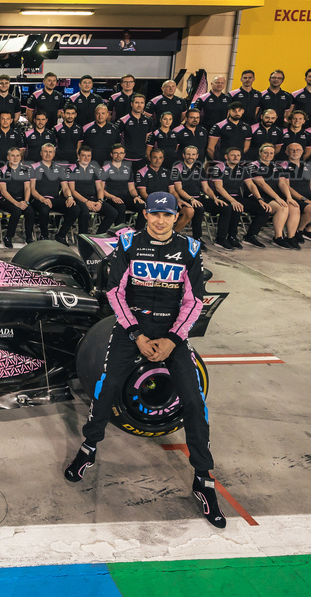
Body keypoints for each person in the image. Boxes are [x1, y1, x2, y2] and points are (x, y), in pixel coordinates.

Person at [64, 192, 225, 530]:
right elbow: (114, 293)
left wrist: (172, 339)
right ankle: (89, 447)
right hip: (131, 329)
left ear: (175, 215)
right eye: (154, 214)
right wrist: (137, 334)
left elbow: (195, 302)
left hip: (172, 333)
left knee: (195, 402)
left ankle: (203, 478)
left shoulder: (189, 250)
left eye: (166, 215)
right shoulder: (129, 244)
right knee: (105, 389)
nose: (160, 220)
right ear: (146, 213)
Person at [208, 146, 269, 248]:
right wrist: (232, 201)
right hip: (222, 197)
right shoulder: (219, 167)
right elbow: (219, 188)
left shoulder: (242, 168)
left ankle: (250, 236)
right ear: (226, 156)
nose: (236, 157)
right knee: (235, 207)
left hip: (237, 197)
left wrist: (260, 199)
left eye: (238, 155)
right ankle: (223, 238)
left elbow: (251, 185)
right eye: (233, 155)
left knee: (264, 209)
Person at [246, 144, 296, 249]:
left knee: (292, 206)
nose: (268, 155)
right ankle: (277, 237)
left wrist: (289, 197)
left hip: (273, 195)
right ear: (260, 153)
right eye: (265, 152)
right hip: (257, 195)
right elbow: (261, 184)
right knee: (282, 207)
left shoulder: (277, 167)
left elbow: (282, 184)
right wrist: (277, 198)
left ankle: (287, 237)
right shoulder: (253, 166)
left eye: (271, 153)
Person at [31, 143, 74, 244]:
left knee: (74, 208)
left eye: (50, 152)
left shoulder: (59, 168)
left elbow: (65, 187)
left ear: (54, 154)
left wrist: (69, 196)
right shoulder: (34, 167)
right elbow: (32, 189)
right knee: (44, 209)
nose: (48, 154)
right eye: (45, 151)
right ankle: (44, 236)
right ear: (41, 153)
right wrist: (42, 198)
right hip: (39, 199)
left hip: (55, 199)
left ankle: (61, 235)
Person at [69, 144, 115, 234]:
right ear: (78, 156)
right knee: (84, 213)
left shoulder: (95, 169)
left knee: (113, 212)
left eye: (89, 156)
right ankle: (83, 237)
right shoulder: (71, 169)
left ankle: (99, 235)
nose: (86, 158)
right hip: (79, 199)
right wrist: (86, 202)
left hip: (93, 199)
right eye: (83, 155)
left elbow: (100, 189)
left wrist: (100, 201)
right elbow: (72, 190)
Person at [0, 147, 34, 248]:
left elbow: (27, 188)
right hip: (5, 200)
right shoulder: (1, 171)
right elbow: (3, 191)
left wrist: (25, 201)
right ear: (8, 157)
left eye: (17, 155)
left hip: (21, 199)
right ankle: (8, 237)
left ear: (21, 157)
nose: (15, 158)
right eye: (12, 155)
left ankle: (29, 237)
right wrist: (17, 203)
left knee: (30, 211)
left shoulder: (25, 170)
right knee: (16, 211)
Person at [129, 148, 174, 231]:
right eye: (155, 157)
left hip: (165, 201)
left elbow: (172, 191)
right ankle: (139, 233)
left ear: (163, 159)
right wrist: (154, 202)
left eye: (160, 158)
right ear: (150, 158)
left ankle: (171, 233)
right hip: (148, 200)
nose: (157, 160)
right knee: (143, 208)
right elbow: (143, 192)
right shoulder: (141, 172)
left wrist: (175, 200)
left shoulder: (168, 172)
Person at [169, 145, 206, 240]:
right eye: (188, 154)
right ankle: (197, 237)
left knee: (225, 208)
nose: (191, 156)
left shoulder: (200, 169)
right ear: (183, 155)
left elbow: (206, 188)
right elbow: (179, 189)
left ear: (197, 156)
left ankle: (226, 238)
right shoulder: (176, 168)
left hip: (198, 197)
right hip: (185, 198)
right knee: (199, 208)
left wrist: (214, 198)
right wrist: (191, 199)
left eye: (193, 154)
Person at [98, 144, 136, 234]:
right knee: (121, 207)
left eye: (121, 153)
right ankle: (119, 234)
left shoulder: (128, 169)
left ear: (124, 154)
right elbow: (101, 189)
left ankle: (139, 234)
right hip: (110, 197)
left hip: (125, 196)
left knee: (141, 206)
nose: (118, 155)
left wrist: (137, 196)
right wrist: (112, 197)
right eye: (116, 153)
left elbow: (131, 189)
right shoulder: (105, 169)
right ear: (111, 154)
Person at [118, 94, 152, 170]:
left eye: (142, 103)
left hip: (141, 159)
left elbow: (147, 139)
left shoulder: (148, 120)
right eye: (137, 102)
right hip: (126, 159)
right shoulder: (123, 121)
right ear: (131, 104)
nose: (139, 105)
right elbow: (117, 140)